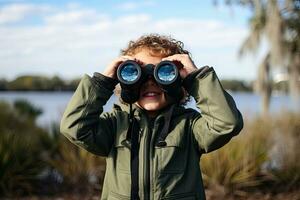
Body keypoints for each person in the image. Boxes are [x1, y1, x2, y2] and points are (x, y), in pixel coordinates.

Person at [60, 34, 243, 200]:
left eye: (163, 73)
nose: (149, 82)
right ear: (122, 79)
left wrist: (197, 77)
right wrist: (102, 81)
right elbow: (75, 127)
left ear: (179, 80)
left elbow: (227, 123)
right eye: (135, 73)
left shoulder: (189, 125)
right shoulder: (115, 124)